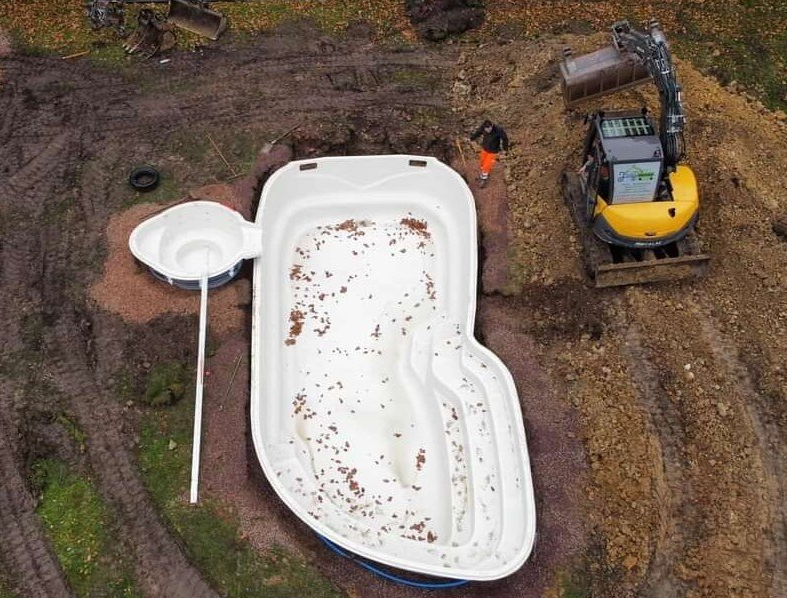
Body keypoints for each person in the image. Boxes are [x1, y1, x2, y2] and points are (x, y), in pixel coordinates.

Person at [469, 119, 509, 187]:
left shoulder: (498, 130)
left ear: (492, 125)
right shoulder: (483, 127)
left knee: (486, 165)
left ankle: (483, 179)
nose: (488, 130)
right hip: (485, 148)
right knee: (482, 162)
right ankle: (484, 173)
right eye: (486, 129)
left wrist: (505, 149)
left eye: (489, 128)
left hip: (493, 151)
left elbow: (505, 139)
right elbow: (478, 132)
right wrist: (471, 138)